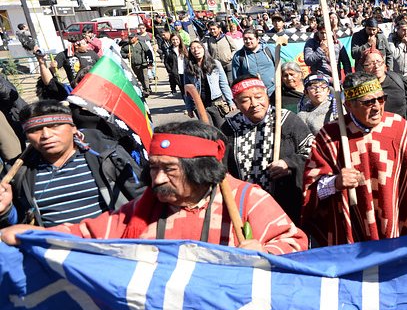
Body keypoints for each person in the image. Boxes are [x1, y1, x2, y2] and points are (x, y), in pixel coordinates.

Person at [0, 121, 309, 254]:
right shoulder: (144, 208)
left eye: (169, 170)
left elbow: (295, 242)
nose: (157, 179)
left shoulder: (245, 199)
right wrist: (35, 235)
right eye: (153, 168)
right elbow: (90, 235)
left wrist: (266, 252)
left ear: (200, 170)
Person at [301, 72, 407, 246]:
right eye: (368, 102)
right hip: (352, 232)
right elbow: (312, 189)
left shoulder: (398, 127)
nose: (377, 107)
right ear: (349, 105)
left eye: (381, 99)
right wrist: (335, 182)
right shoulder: (330, 136)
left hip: (398, 222)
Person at [0, 101, 143, 228]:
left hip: (112, 245)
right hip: (55, 252)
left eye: (54, 126)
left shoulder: (107, 156)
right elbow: (17, 223)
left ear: (73, 128)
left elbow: (142, 196)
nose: (46, 135)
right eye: (34, 130)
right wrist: (6, 210)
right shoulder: (18, 174)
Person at [222, 76, 309, 223]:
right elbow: (221, 167)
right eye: (245, 100)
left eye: (258, 97)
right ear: (235, 103)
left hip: (286, 204)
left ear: (266, 94)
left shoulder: (286, 120)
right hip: (247, 206)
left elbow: (311, 150)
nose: (254, 104)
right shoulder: (229, 128)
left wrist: (289, 164)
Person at [359, 49, 407, 138]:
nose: (376, 66)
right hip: (375, 138)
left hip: (400, 135)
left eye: (379, 62)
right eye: (370, 64)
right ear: (363, 68)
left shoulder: (398, 81)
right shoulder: (361, 90)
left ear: (384, 64)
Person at [183, 40, 234, 128]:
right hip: (200, 104)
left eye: (198, 47)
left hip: (216, 102)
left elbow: (223, 83)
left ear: (204, 49)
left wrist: (230, 101)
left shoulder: (215, 63)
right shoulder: (188, 68)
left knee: (222, 128)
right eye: (193, 48)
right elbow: (187, 90)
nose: (196, 50)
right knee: (208, 130)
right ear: (190, 52)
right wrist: (189, 108)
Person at [231, 28, 277, 95]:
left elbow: (279, 68)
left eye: (250, 38)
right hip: (252, 94)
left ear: (257, 39)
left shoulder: (269, 50)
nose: (248, 41)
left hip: (273, 91)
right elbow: (236, 78)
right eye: (245, 39)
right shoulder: (238, 56)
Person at [297, 73, 337, 138]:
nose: (318, 90)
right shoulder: (303, 115)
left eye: (323, 87)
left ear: (328, 91)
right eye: (313, 87)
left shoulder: (337, 108)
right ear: (306, 92)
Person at [202, 21, 239, 85]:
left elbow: (235, 49)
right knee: (221, 84)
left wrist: (231, 56)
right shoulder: (209, 40)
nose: (212, 31)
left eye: (214, 29)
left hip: (228, 64)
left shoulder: (227, 38)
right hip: (217, 66)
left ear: (219, 29)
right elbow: (209, 52)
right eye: (210, 29)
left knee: (230, 82)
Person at [387, 20, 407, 86]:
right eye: (403, 30)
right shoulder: (392, 39)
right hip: (396, 75)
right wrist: (402, 43)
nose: (406, 32)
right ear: (397, 30)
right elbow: (393, 55)